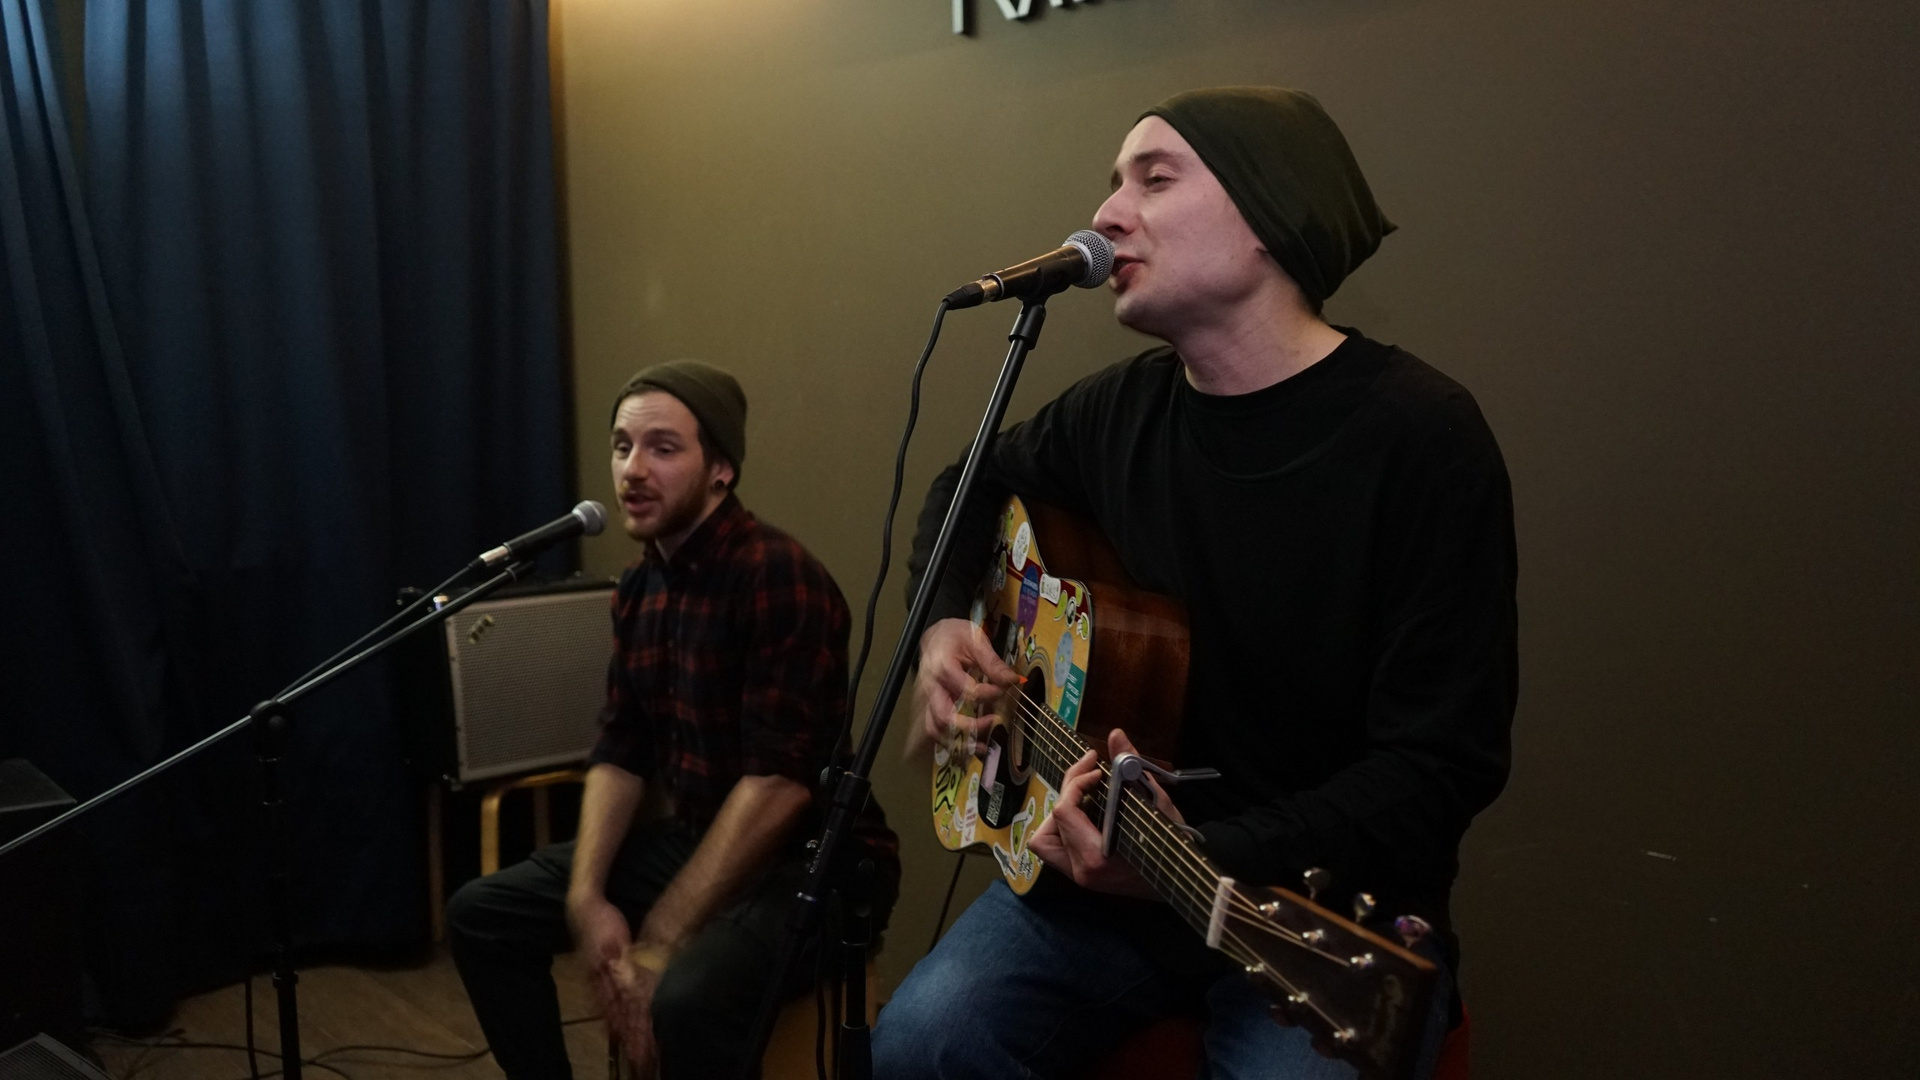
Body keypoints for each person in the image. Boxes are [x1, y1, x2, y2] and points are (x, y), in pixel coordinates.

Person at [871, 87, 1516, 1079]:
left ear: (1269, 212)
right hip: (1106, 901)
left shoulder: (1420, 439)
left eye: (1155, 179)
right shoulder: (1116, 412)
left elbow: (1439, 767)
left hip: (1312, 913)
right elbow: (969, 482)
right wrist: (946, 624)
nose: (1106, 215)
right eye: (1113, 184)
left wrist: (1204, 855)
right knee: (921, 1042)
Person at [448, 360, 900, 1080]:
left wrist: (662, 938)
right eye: (622, 446)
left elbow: (780, 785)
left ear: (721, 469)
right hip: (699, 832)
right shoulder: (640, 586)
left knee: (685, 1000)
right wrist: (586, 897)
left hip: (817, 859)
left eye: (662, 448)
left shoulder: (778, 574)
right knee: (482, 914)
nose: (633, 469)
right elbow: (621, 748)